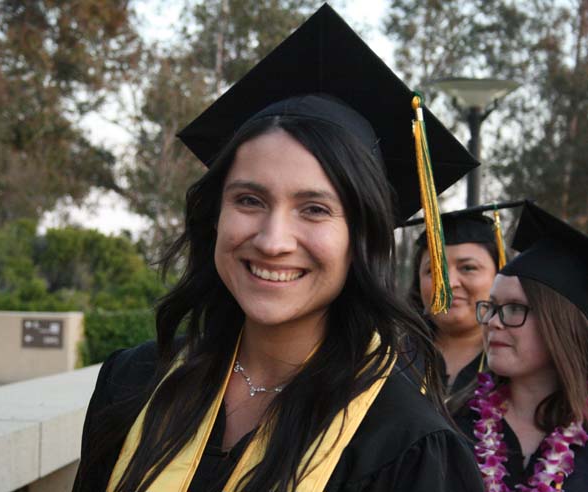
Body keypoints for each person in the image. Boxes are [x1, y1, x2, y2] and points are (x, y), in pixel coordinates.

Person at [73, 5, 485, 492]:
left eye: (314, 209)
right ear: (216, 216)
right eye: (250, 200)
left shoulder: (405, 445)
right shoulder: (134, 382)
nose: (272, 241)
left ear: (363, 236)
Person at [455, 202, 588, 491]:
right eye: (490, 307)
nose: (492, 321)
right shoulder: (454, 427)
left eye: (515, 308)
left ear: (560, 324)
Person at [405, 205, 513, 395]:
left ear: (500, 275)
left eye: (468, 268)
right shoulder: (391, 360)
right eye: (434, 270)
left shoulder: (522, 364)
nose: (448, 283)